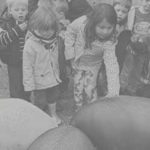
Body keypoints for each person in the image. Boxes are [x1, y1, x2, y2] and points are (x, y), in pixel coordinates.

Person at [64, 3, 120, 111]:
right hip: (78, 62)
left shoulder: (110, 40)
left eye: (109, 27)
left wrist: (113, 92)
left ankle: (93, 111)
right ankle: (78, 111)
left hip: (93, 65)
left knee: (90, 88)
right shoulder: (82, 23)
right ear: (93, 23)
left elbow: (112, 65)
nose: (105, 31)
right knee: (78, 88)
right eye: (101, 27)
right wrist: (70, 54)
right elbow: (69, 32)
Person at [23, 7, 62, 124]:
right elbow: (27, 66)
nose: (47, 32)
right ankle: (38, 118)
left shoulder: (54, 39)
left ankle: (53, 114)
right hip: (38, 81)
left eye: (51, 29)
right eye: (44, 29)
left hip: (53, 76)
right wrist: (29, 85)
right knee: (39, 101)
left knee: (53, 97)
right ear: (35, 27)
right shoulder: (30, 44)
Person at [0, 0, 30, 101]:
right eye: (16, 10)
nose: (20, 12)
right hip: (13, 61)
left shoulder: (30, 24)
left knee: (27, 85)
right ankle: (16, 104)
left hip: (27, 61)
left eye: (23, 10)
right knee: (15, 86)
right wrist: (17, 30)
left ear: (27, 11)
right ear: (10, 11)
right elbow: (2, 40)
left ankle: (26, 104)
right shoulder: (6, 24)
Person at [120, 0, 150, 96]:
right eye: (147, 0)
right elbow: (127, 28)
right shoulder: (133, 11)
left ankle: (132, 89)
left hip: (144, 48)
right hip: (132, 46)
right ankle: (121, 87)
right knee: (127, 67)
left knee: (138, 69)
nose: (148, 4)